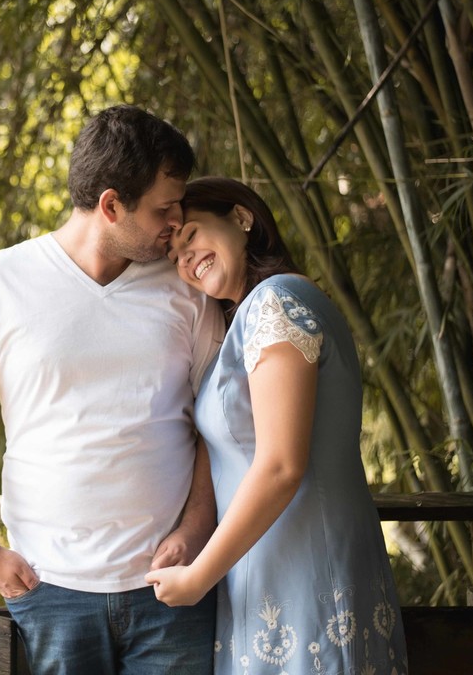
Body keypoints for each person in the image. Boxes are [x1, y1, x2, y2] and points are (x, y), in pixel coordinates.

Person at [0, 105, 225, 674]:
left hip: (172, 589)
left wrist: (193, 531)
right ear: (112, 205)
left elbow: (217, 425)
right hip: (49, 590)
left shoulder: (188, 287)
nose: (178, 221)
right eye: (164, 208)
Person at [147, 176, 409, 674]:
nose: (185, 258)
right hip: (265, 573)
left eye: (193, 234)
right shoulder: (254, 314)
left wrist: (200, 574)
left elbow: (281, 465)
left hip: (308, 571)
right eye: (174, 255)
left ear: (242, 218)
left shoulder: (276, 303)